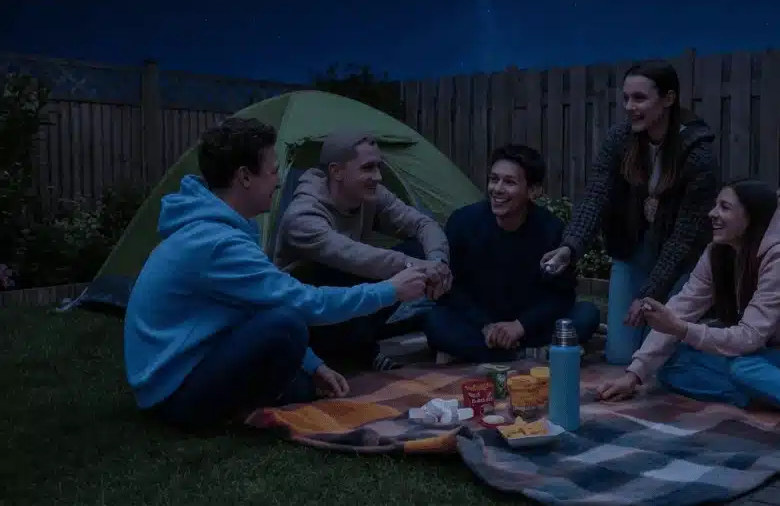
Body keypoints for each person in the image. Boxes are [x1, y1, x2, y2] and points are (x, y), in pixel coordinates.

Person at [123, 118, 428, 430]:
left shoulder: (216, 228)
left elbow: (249, 304)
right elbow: (305, 303)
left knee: (302, 380)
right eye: (272, 171)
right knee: (286, 324)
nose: (280, 181)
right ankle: (234, 410)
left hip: (179, 369)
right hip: (172, 394)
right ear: (244, 177)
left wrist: (314, 365)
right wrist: (390, 290)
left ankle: (270, 392)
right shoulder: (216, 243)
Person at [596, 179, 780, 459]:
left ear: (750, 217)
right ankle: (772, 394)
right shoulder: (718, 252)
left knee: (742, 366)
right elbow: (682, 307)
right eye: (715, 205)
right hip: (764, 357)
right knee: (669, 363)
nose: (712, 214)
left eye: (725, 207)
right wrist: (633, 375)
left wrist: (681, 329)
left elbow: (748, 339)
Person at [539, 60, 720, 365]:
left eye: (639, 98)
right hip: (632, 251)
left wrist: (649, 294)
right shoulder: (621, 139)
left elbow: (685, 236)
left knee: (660, 358)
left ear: (668, 99)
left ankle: (706, 332)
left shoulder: (697, 152)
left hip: (680, 262)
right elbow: (597, 194)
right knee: (621, 356)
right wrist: (569, 248)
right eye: (625, 98)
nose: (629, 106)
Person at [273, 131, 452, 371]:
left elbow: (423, 224)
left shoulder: (370, 195)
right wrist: (417, 267)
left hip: (350, 298)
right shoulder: (303, 216)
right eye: (368, 168)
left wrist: (438, 263)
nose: (377, 177)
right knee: (354, 271)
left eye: (378, 167)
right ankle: (339, 356)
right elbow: (353, 256)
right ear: (336, 172)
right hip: (309, 312)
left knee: (417, 249)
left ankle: (359, 350)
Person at [422, 144, 602, 363]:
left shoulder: (551, 229)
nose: (497, 189)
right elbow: (451, 288)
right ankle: (520, 354)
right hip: (480, 323)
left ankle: (489, 352)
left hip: (527, 325)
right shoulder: (462, 222)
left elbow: (561, 296)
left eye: (509, 182)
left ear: (533, 191)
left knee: (586, 315)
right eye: (494, 179)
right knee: (435, 321)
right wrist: (486, 326)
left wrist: (520, 326)